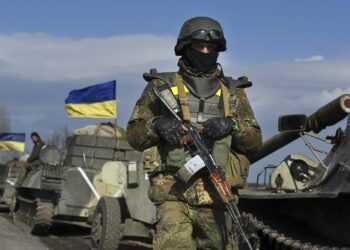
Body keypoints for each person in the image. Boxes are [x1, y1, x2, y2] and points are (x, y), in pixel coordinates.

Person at [127, 16, 262, 250]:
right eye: (200, 46)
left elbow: (254, 142)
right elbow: (134, 135)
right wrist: (157, 125)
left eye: (211, 47)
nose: (206, 51)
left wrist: (232, 126)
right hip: (172, 194)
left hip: (218, 196)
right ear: (185, 48)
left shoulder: (233, 92)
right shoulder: (160, 87)